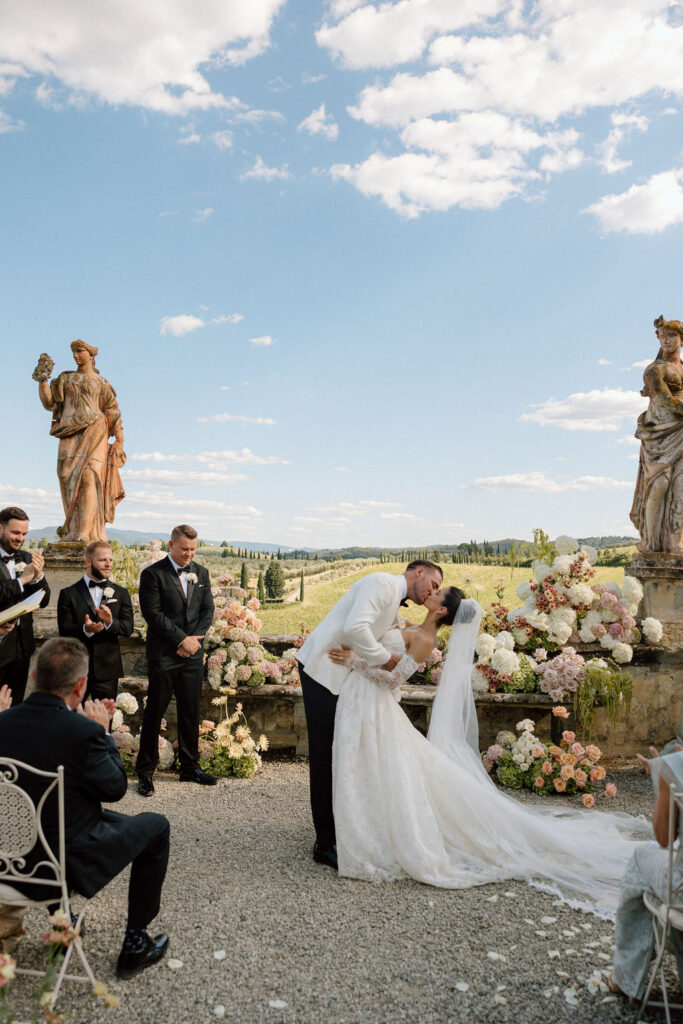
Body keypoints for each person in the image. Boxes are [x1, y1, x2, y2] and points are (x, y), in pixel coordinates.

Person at [327, 591, 646, 915]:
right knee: (374, 766)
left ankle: (376, 835)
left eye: (437, 593)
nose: (431, 592)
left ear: (440, 611)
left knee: (388, 767)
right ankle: (366, 825)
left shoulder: (425, 639)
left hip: (376, 701)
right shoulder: (410, 624)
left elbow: (396, 678)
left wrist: (354, 661)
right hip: (362, 699)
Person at [0, 637, 170, 979]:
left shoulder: (3, 723)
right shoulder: (83, 733)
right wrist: (102, 734)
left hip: (7, 862)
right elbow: (115, 789)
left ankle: (63, 921)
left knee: (54, 814)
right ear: (81, 686)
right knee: (156, 826)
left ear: (34, 676)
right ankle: (135, 944)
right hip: (59, 869)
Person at [296, 559, 443, 869]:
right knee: (324, 756)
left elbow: (380, 628)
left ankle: (340, 830)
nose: (433, 591)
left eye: (439, 591)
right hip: (323, 670)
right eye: (433, 584)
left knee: (340, 755)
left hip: (342, 677)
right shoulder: (382, 583)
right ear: (419, 572)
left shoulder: (392, 595)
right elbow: (354, 627)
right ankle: (325, 843)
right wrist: (385, 659)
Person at [136, 524, 216, 796]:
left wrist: (193, 641)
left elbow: (208, 611)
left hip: (192, 655)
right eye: (184, 549)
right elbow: (153, 614)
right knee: (154, 713)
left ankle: (190, 768)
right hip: (164, 655)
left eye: (193, 549)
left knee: (190, 711)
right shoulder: (152, 574)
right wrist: (182, 640)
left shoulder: (201, 573)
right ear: (171, 545)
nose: (189, 554)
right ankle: (146, 773)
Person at [610, 747, 683, 1000]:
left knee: (642, 858)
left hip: (682, 891)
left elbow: (664, 838)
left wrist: (664, 772)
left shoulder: (675, 765)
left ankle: (626, 977)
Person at [36, 339, 125, 543]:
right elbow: (49, 403)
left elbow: (112, 410)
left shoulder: (101, 383)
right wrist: (43, 381)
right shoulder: (66, 379)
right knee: (66, 477)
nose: (76, 355)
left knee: (89, 476)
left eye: (80, 351)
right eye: (74, 352)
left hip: (96, 430)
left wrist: (119, 438)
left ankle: (85, 532)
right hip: (69, 431)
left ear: (91, 355)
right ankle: (73, 529)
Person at [630, 316, 683, 555]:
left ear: (681, 339)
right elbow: (667, 402)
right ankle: (651, 542)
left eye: (672, 336)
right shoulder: (653, 370)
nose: (667, 341)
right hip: (659, 434)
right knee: (659, 484)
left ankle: (675, 543)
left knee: (680, 487)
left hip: (680, 432)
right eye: (663, 337)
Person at [57, 540, 134, 701]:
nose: (108, 564)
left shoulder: (121, 593)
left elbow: (128, 628)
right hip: (76, 669)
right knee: (72, 721)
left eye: (110, 560)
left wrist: (110, 622)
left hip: (107, 670)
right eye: (102, 560)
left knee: (104, 722)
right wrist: (86, 630)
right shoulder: (68, 594)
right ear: (88, 562)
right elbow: (64, 630)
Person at [0, 506, 51, 704]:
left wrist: (38, 576)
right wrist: (22, 580)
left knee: (15, 705)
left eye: (24, 534)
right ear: (1, 529)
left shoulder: (26, 558)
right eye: (15, 532)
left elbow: (44, 599)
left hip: (21, 646)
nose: (20, 538)